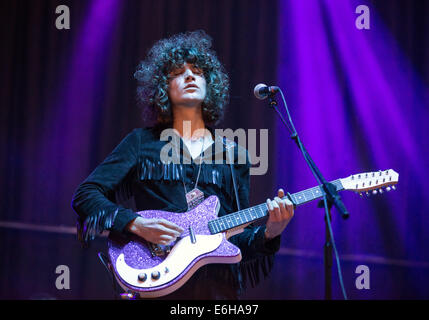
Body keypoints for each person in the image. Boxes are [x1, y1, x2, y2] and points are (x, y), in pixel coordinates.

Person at [71, 30, 294, 300]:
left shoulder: (235, 154)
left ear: (210, 84)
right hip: (158, 280)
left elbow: (235, 241)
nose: (189, 76)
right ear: (162, 88)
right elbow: (86, 195)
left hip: (216, 292)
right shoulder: (141, 143)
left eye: (197, 72)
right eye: (178, 72)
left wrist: (271, 232)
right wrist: (135, 224)